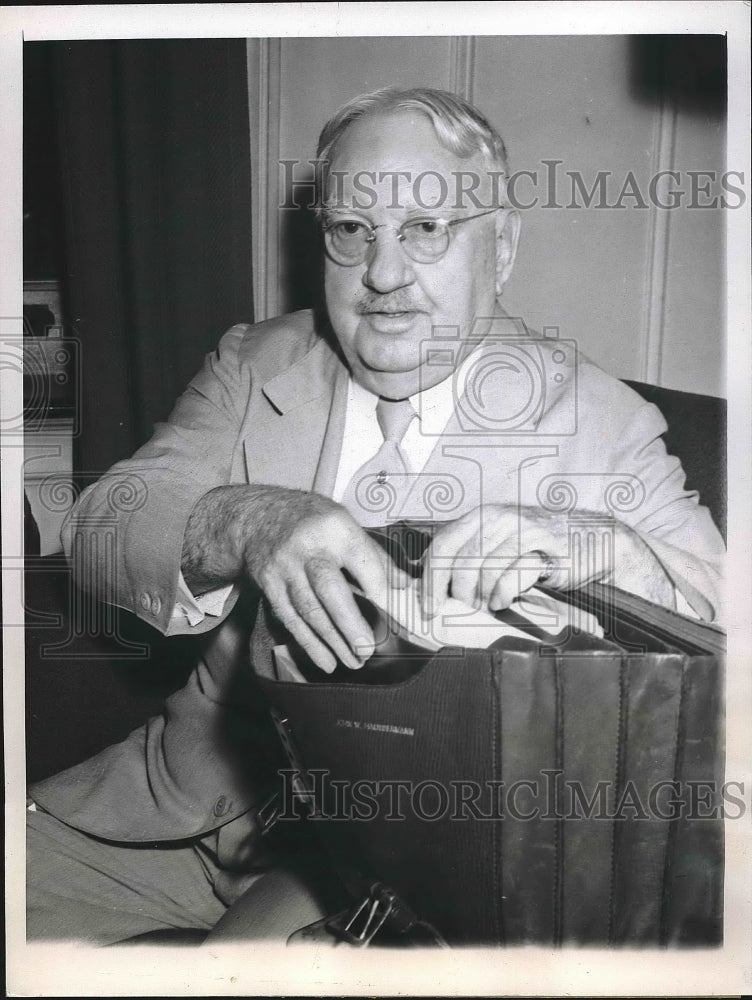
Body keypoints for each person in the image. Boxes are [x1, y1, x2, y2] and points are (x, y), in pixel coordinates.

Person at [27, 87, 725, 944]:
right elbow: (100, 527)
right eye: (352, 230)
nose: (383, 273)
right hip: (170, 811)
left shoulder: (600, 419)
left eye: (427, 229)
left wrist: (610, 551)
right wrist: (247, 522)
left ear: (501, 248)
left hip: (409, 857)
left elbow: (722, 624)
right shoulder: (254, 363)